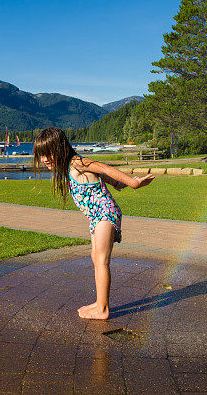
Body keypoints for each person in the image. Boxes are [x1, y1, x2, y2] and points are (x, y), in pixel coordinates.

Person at [33, 127, 155, 320]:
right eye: (41, 155)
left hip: (105, 215)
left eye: (48, 153)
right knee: (96, 258)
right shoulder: (68, 166)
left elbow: (104, 168)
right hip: (96, 218)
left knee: (101, 260)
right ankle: (100, 302)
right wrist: (117, 184)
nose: (45, 159)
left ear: (60, 148)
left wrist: (133, 183)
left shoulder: (77, 162)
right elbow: (103, 177)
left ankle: (103, 309)